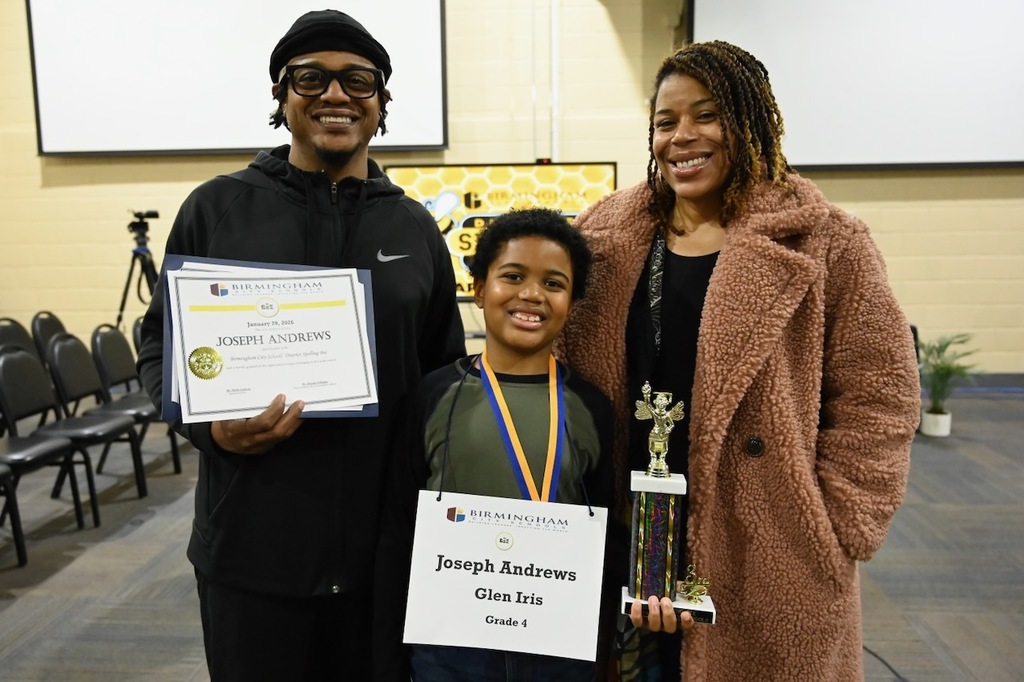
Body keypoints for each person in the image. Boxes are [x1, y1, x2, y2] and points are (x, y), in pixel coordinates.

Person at [555, 41, 921, 681]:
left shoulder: (827, 241)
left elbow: (880, 392)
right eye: (665, 122)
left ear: (751, 121)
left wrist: (837, 521)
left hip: (768, 544)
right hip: (628, 528)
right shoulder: (604, 235)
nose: (682, 137)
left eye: (706, 115)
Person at [135, 10, 465, 680]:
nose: (335, 94)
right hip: (252, 550)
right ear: (281, 96)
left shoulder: (414, 228)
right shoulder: (216, 209)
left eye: (357, 80)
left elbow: (442, 378)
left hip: (383, 557)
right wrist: (209, 429)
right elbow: (160, 348)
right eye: (311, 78)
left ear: (382, 101)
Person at [373, 208, 623, 681]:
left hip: (557, 651)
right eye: (513, 276)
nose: (532, 294)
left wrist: (598, 652)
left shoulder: (591, 407)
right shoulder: (434, 396)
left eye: (554, 283)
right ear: (479, 289)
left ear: (572, 303)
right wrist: (387, 662)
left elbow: (603, 539)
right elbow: (398, 532)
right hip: (448, 650)